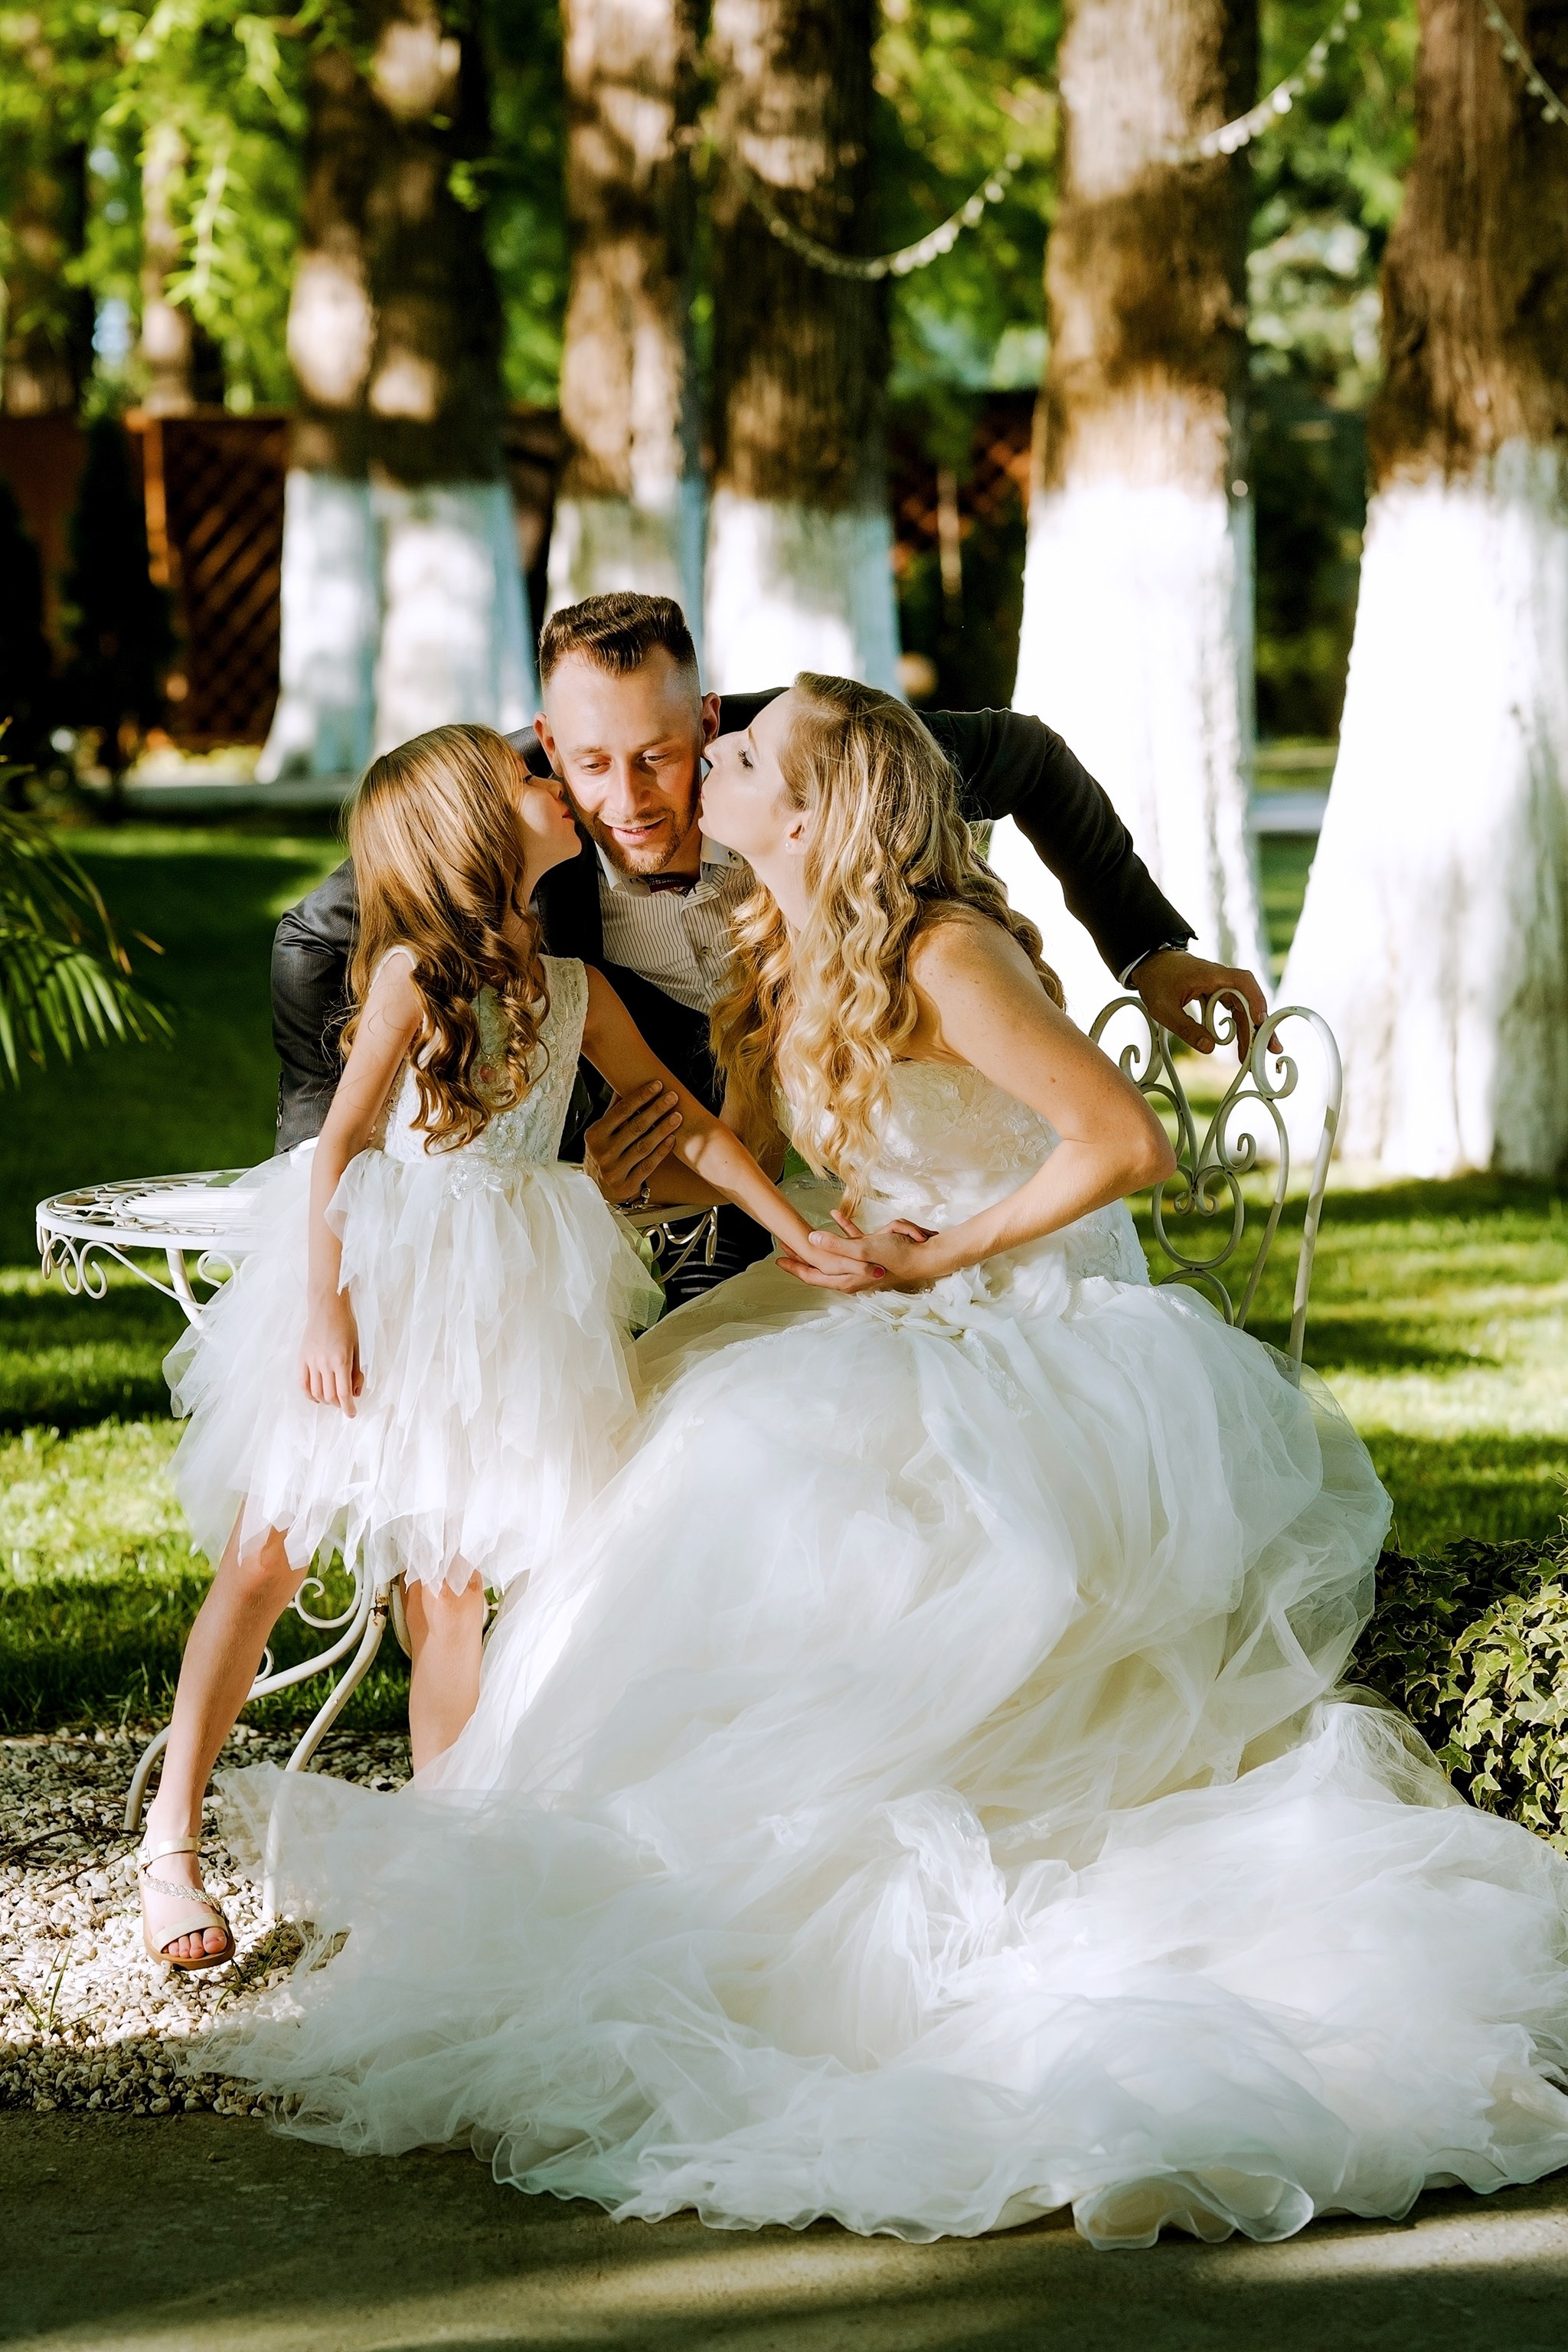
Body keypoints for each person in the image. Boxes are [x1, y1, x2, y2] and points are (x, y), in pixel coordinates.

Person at [209, 680, 1568, 2246]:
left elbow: (1121, 1144)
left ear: (811, 810)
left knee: (808, 1505)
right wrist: (691, 1190)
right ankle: (652, 1888)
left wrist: (941, 1262)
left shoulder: (942, 950)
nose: (696, 760)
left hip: (1035, 1332)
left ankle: (847, 1914)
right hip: (888, 1288)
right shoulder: (783, 940)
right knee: (663, 1438)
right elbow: (758, 1152)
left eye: (735, 755)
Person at [139, 724, 848, 1972]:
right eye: (535, 776)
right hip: (382, 1276)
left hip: (505, 1311)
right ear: (476, 822)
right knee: (265, 1554)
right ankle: (171, 1839)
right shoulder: (413, 973)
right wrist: (324, 1308)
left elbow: (674, 1119)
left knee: (453, 1590)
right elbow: (344, 1146)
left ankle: (440, 1866)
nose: (561, 789)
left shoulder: (571, 983)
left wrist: (791, 1225)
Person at [270, 593, 1268, 1305]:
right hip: (717, 1125)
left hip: (910, 1201)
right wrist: (327, 1165)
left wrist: (1150, 952)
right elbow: (318, 939)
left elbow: (1034, 764)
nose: (630, 801)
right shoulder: (511, 807)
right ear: (548, 743)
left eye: (664, 758)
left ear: (709, 724)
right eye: (592, 766)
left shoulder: (819, 762)